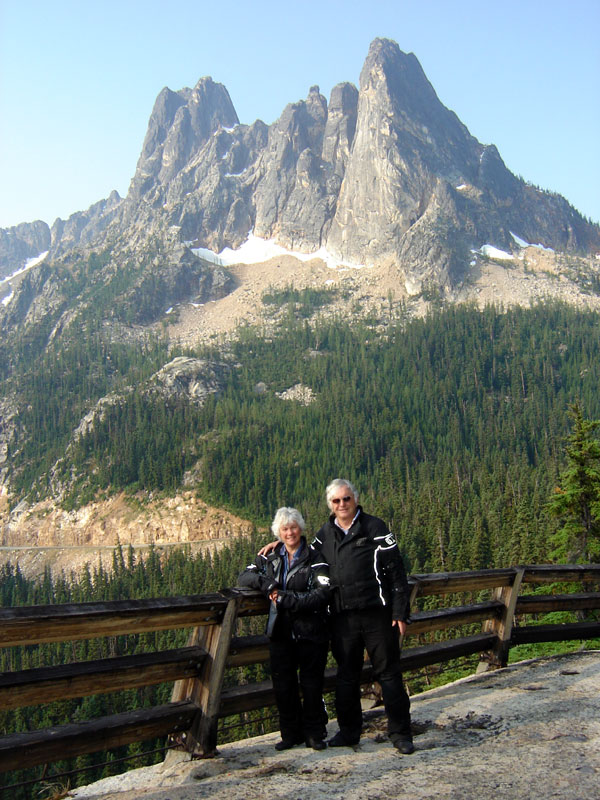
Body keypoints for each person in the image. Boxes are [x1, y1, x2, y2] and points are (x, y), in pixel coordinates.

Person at [259, 480, 414, 753]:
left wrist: (400, 612)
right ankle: (349, 732)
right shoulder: (324, 534)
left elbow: (397, 572)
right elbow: (304, 553)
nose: (342, 504)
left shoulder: (375, 528)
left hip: (377, 614)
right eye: (336, 501)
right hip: (342, 618)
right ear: (330, 505)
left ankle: (401, 733)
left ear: (355, 499)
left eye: (346, 499)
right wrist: (279, 542)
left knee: (388, 674)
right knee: (346, 677)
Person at [238, 507, 330, 751]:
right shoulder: (270, 556)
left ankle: (315, 733)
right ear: (278, 532)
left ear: (301, 529)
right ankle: (290, 735)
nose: (290, 533)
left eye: (293, 527)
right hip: (280, 632)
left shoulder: (315, 557)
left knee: (311, 685)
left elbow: (322, 595)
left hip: (310, 632)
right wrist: (267, 584)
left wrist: (287, 599)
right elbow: (245, 576)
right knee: (284, 686)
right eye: (284, 529)